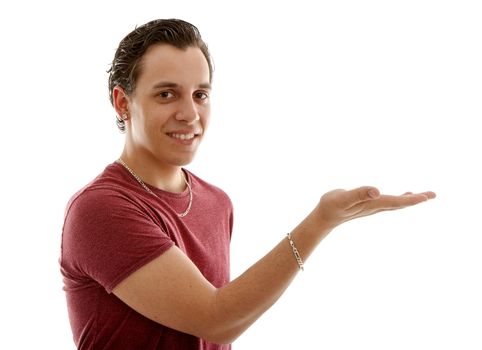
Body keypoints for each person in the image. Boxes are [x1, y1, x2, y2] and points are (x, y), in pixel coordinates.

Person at [60, 18, 436, 349]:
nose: (190, 114)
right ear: (123, 103)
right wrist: (321, 221)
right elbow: (216, 319)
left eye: (200, 95)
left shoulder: (215, 201)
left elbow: (212, 336)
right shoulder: (100, 210)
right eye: (166, 94)